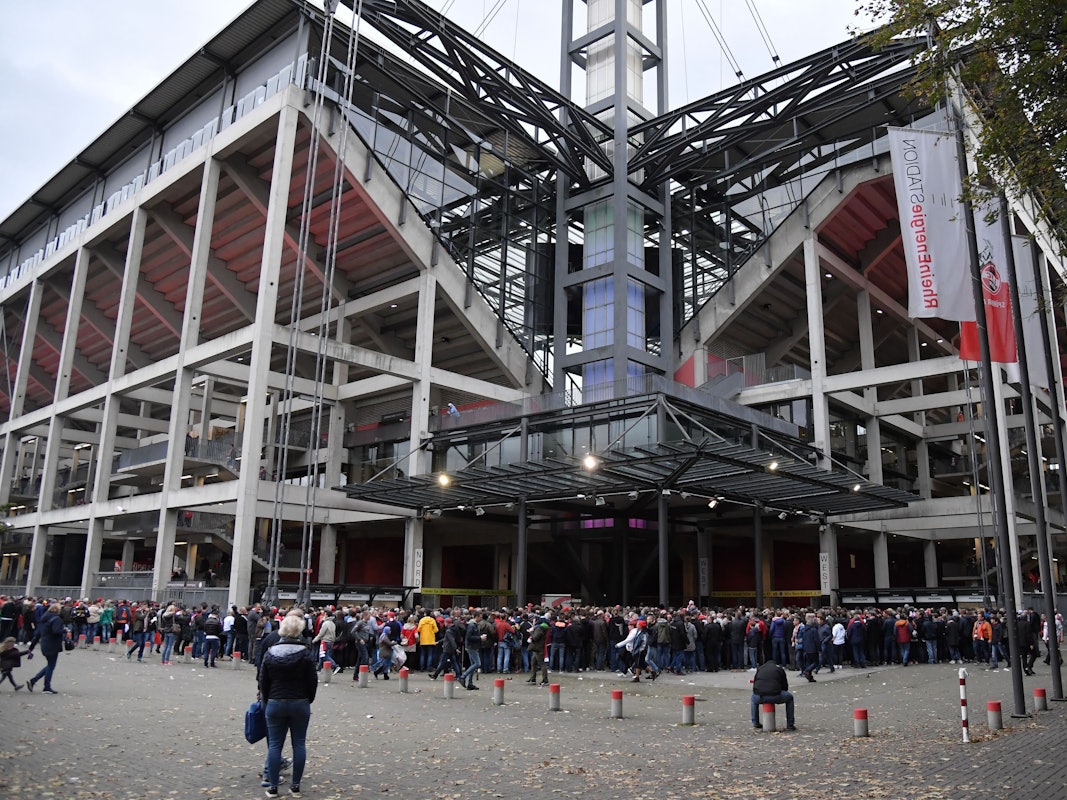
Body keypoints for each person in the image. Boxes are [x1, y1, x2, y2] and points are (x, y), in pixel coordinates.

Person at [259, 613, 317, 797]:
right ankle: (295, 786)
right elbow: (312, 681)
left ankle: (273, 787)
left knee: (275, 745)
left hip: (275, 701)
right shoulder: (306, 654)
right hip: (300, 702)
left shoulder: (270, 653)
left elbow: (263, 680)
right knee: (299, 744)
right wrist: (308, 699)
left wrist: (268, 699)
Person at [27, 602, 67, 693]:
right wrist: (64, 631)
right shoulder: (57, 619)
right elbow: (56, 631)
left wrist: (31, 648)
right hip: (53, 644)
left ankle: (34, 681)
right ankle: (45, 686)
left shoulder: (43, 619)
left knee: (50, 665)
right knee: (51, 666)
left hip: (44, 644)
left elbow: (37, 635)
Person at [750, 658, 797, 730]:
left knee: (753, 699)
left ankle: (755, 722)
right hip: (775, 695)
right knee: (790, 698)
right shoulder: (779, 669)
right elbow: (785, 686)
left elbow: (755, 684)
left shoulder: (760, 668)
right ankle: (790, 724)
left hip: (759, 696)